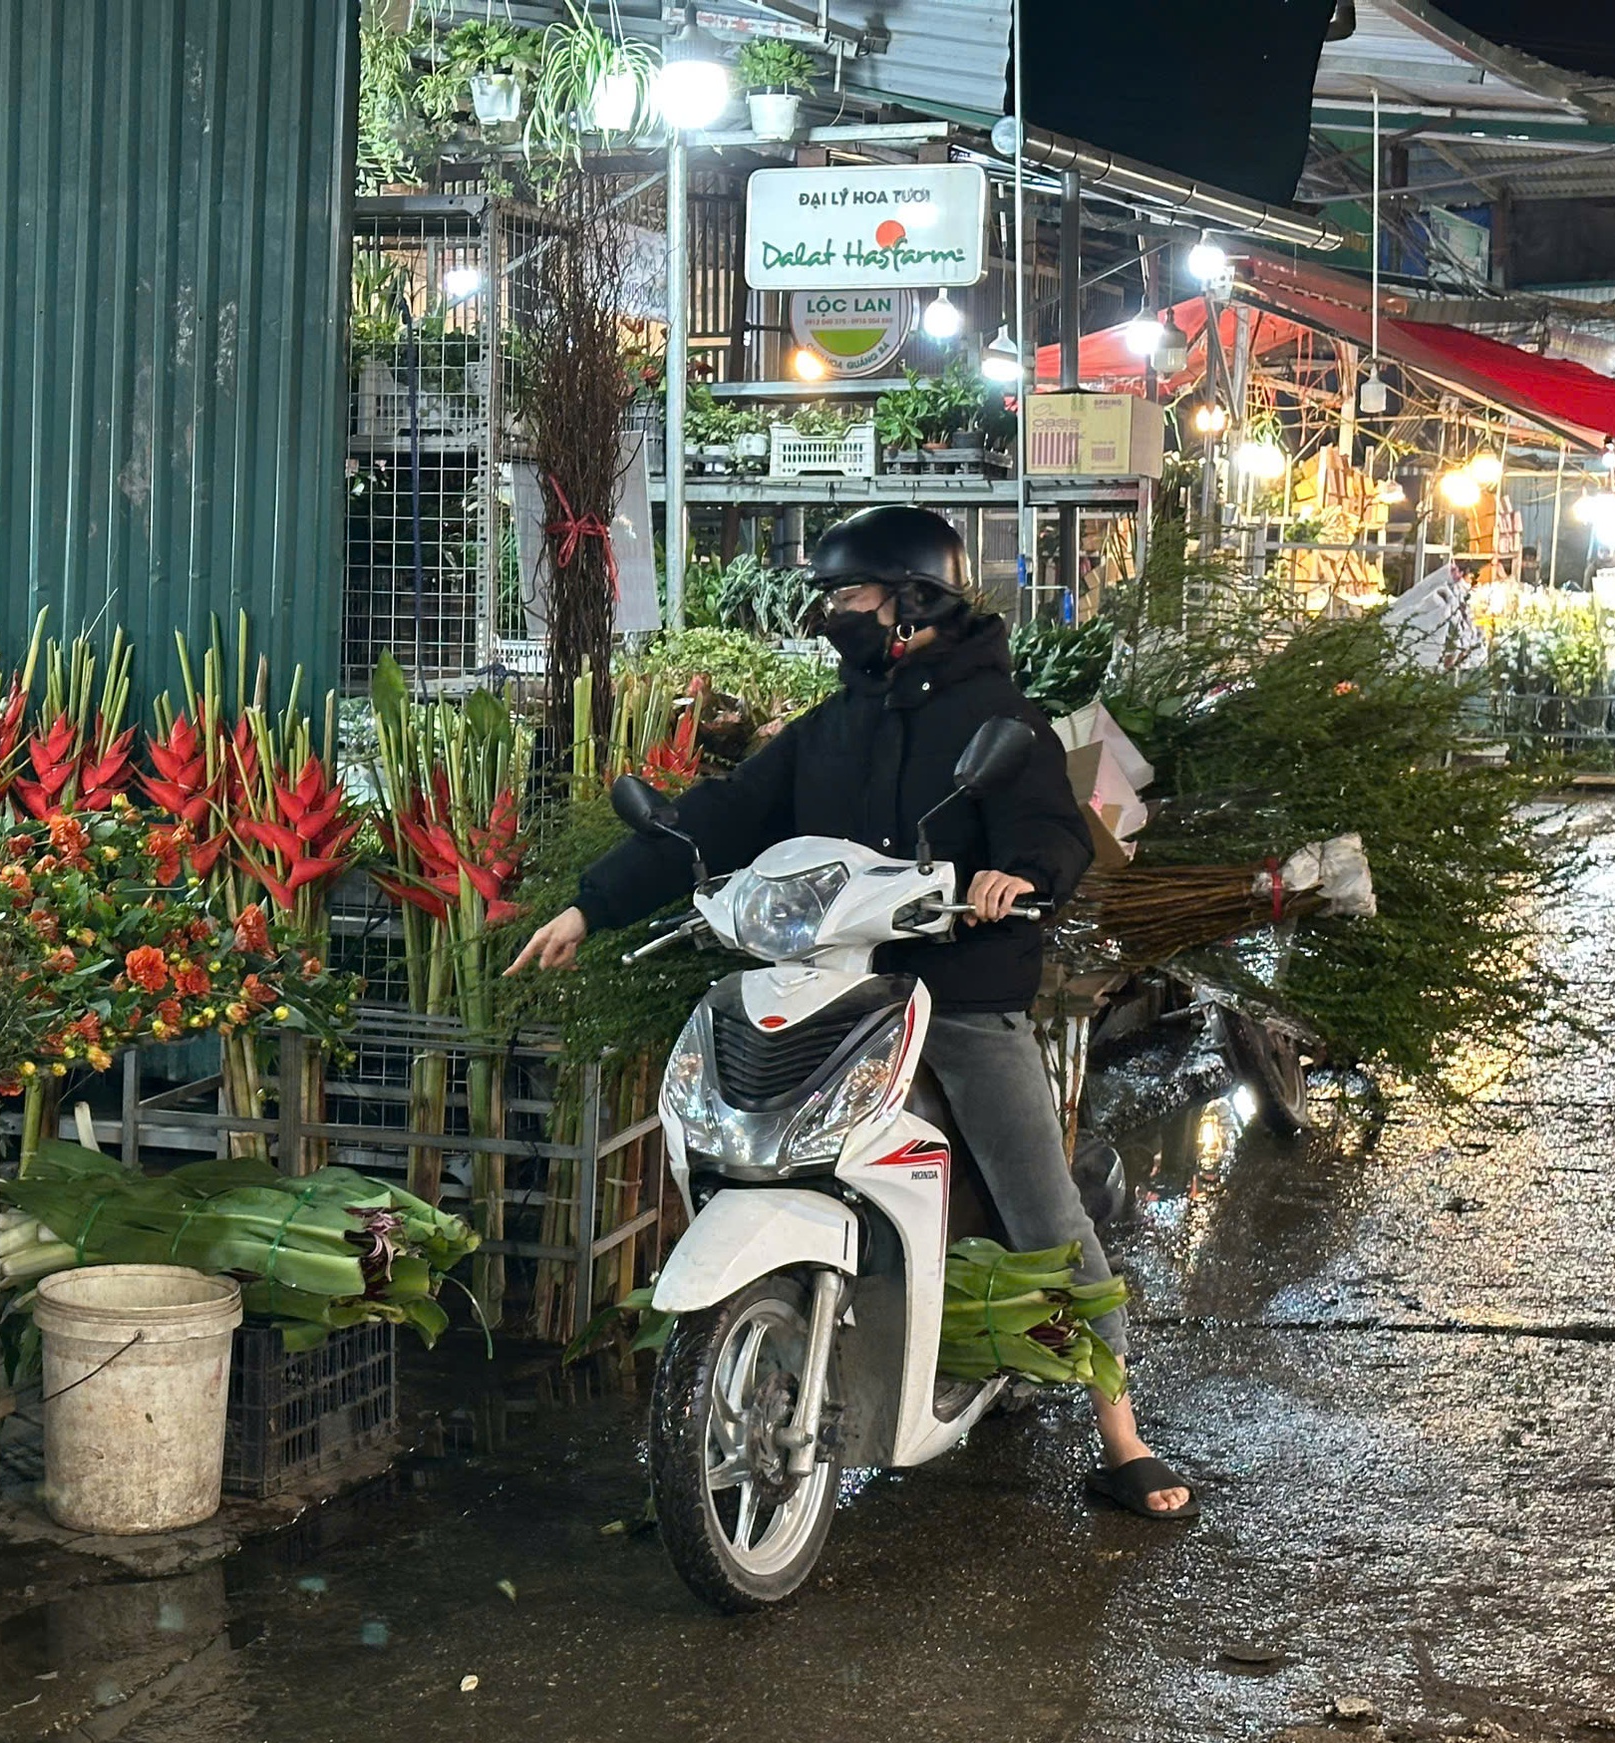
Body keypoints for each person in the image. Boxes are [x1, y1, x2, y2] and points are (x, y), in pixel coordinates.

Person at [505, 506, 1196, 1519]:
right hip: (834, 991)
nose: (831, 614)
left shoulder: (996, 722)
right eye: (828, 596)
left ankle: (1122, 1432)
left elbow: (1054, 831)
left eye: (848, 595)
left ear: (912, 602)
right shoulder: (832, 727)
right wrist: (589, 903)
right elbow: (722, 816)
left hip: (957, 994)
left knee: (1041, 1206)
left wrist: (1014, 873)